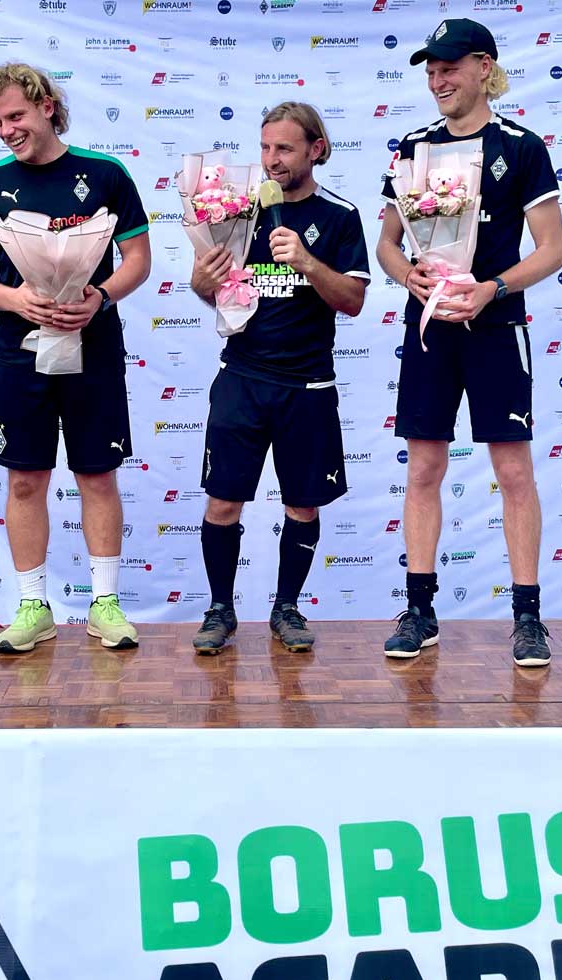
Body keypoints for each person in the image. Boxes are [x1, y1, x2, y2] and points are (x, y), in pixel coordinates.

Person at [377, 19, 562, 667]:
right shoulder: (413, 146)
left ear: (484, 67)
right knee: (423, 468)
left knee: (513, 472)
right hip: (430, 329)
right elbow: (387, 245)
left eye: (450, 67)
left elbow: (552, 250)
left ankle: (528, 618)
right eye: (431, 70)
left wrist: (493, 288)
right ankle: (420, 611)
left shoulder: (522, 147)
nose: (438, 80)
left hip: (495, 327)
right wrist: (408, 275)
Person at [0, 63, 150, 653]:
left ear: (46, 106)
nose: (6, 130)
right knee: (24, 481)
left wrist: (100, 297)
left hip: (95, 348)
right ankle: (32, 606)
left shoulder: (105, 173)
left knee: (97, 475)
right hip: (20, 354)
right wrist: (16, 299)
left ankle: (105, 603)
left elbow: (138, 260)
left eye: (15, 116)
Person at [189, 102, 370, 654]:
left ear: (317, 149)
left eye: (285, 148)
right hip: (241, 379)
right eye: (266, 147)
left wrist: (308, 262)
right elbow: (213, 293)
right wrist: (202, 281)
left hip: (307, 387)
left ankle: (286, 608)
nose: (272, 160)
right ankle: (220, 609)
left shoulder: (340, 215)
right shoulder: (235, 210)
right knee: (222, 502)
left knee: (302, 506)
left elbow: (354, 300)